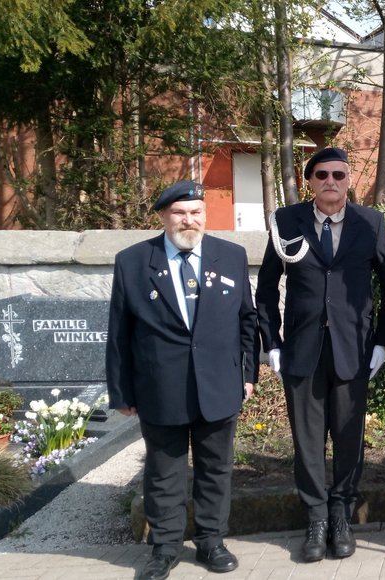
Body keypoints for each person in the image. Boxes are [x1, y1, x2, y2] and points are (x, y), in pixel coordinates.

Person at [106, 180, 258, 580]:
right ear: (163, 216)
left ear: (205, 215)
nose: (188, 220)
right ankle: (165, 547)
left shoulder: (231, 256)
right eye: (179, 213)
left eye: (195, 212)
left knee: (216, 468)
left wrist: (248, 374)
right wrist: (121, 391)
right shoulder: (134, 262)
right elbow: (119, 333)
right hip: (161, 387)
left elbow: (247, 319)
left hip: (219, 384)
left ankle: (211, 541)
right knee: (163, 472)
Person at [255, 147, 385, 562]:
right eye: (322, 175)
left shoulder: (370, 222)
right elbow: (266, 289)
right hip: (302, 351)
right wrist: (272, 342)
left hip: (354, 349)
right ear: (310, 182)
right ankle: (316, 518)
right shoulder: (286, 222)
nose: (330, 181)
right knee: (307, 440)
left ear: (349, 180)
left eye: (338, 174)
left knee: (349, 439)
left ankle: (341, 515)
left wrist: (383, 342)